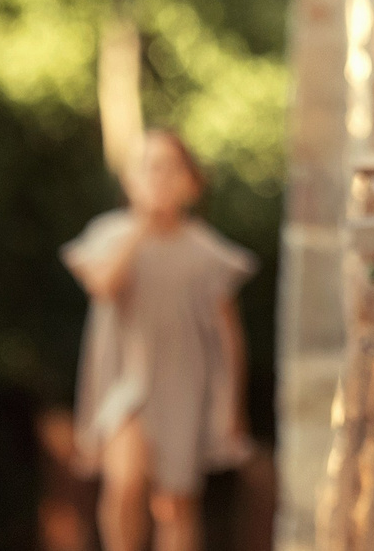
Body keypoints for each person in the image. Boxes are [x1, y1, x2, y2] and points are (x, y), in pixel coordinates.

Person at [62, 129, 258, 551]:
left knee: (175, 503)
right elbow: (103, 285)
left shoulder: (206, 252)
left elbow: (228, 337)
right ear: (130, 180)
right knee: (126, 480)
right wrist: (140, 228)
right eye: (149, 167)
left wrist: (231, 404)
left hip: (183, 383)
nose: (159, 177)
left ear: (191, 183)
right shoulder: (109, 236)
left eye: (170, 168)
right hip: (124, 382)